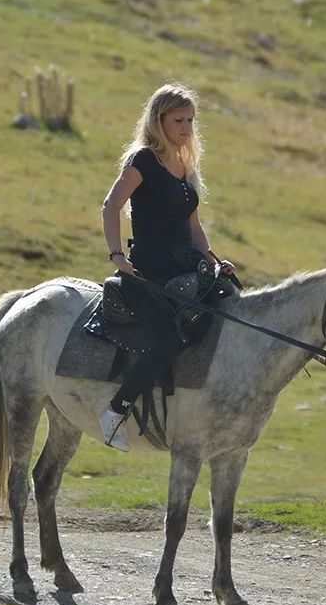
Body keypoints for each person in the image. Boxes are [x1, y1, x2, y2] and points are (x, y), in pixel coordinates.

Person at [98, 83, 235, 451]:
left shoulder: (185, 164)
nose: (187, 127)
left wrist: (212, 259)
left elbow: (192, 224)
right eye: (179, 120)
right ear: (159, 120)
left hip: (186, 267)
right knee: (166, 342)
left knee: (233, 304)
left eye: (191, 120)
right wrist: (117, 257)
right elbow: (111, 206)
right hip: (146, 273)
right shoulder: (142, 161)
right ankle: (115, 411)